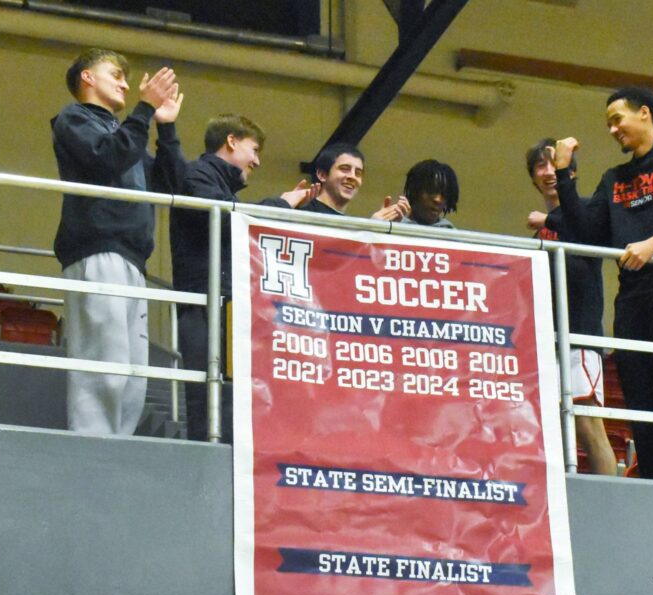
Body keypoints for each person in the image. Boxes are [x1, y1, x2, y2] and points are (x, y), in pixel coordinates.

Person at [549, 86, 653, 481]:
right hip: (633, 295)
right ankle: (650, 482)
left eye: (617, 119)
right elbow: (587, 231)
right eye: (608, 124)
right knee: (637, 391)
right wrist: (563, 174)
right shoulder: (614, 178)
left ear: (644, 113)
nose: (612, 130)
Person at [52, 48, 185, 435]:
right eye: (116, 75)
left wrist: (166, 128)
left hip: (131, 259)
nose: (125, 84)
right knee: (104, 366)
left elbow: (172, 187)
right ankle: (93, 449)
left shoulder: (129, 136)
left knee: (132, 376)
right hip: (98, 248)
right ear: (87, 78)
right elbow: (106, 159)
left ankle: (117, 449)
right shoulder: (73, 118)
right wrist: (144, 110)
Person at [169, 115, 318, 442]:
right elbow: (228, 221)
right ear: (231, 141)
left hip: (222, 305)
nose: (257, 161)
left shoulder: (214, 182)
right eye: (254, 149)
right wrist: (280, 205)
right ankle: (207, 465)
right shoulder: (198, 174)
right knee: (210, 399)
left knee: (228, 397)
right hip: (206, 304)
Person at [526, 139, 617, 476]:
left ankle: (611, 501)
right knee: (550, 428)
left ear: (571, 173)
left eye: (555, 164)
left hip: (580, 334)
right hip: (547, 339)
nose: (549, 171)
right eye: (541, 165)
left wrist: (549, 219)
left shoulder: (586, 211)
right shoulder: (540, 231)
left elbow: (586, 236)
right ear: (533, 177)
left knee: (588, 425)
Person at [306, 143, 411, 220]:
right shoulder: (303, 213)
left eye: (358, 173)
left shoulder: (349, 224)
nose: (353, 177)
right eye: (344, 169)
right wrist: (373, 227)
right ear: (322, 175)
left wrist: (384, 227)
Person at [400, 159, 459, 228]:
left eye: (444, 194)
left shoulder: (450, 232)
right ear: (414, 191)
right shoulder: (394, 225)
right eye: (431, 191)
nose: (438, 200)